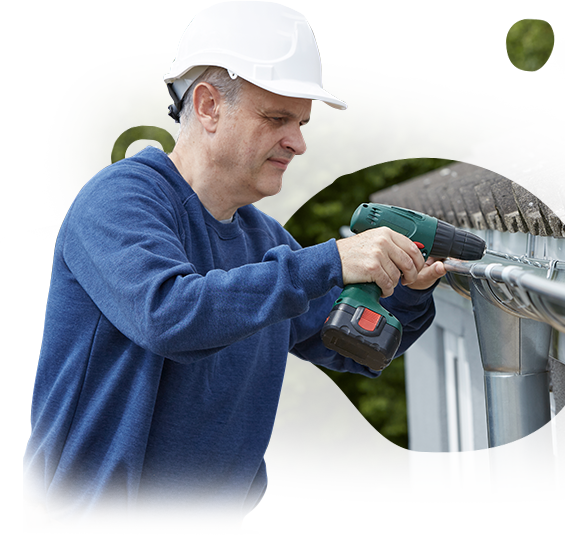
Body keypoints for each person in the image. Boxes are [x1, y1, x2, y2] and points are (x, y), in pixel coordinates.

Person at [22, 3, 447, 535]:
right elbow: (170, 315)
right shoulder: (119, 200)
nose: (299, 142)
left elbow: (358, 349)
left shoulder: (263, 240)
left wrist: (405, 290)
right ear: (207, 106)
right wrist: (332, 260)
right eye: (278, 119)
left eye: (301, 123)